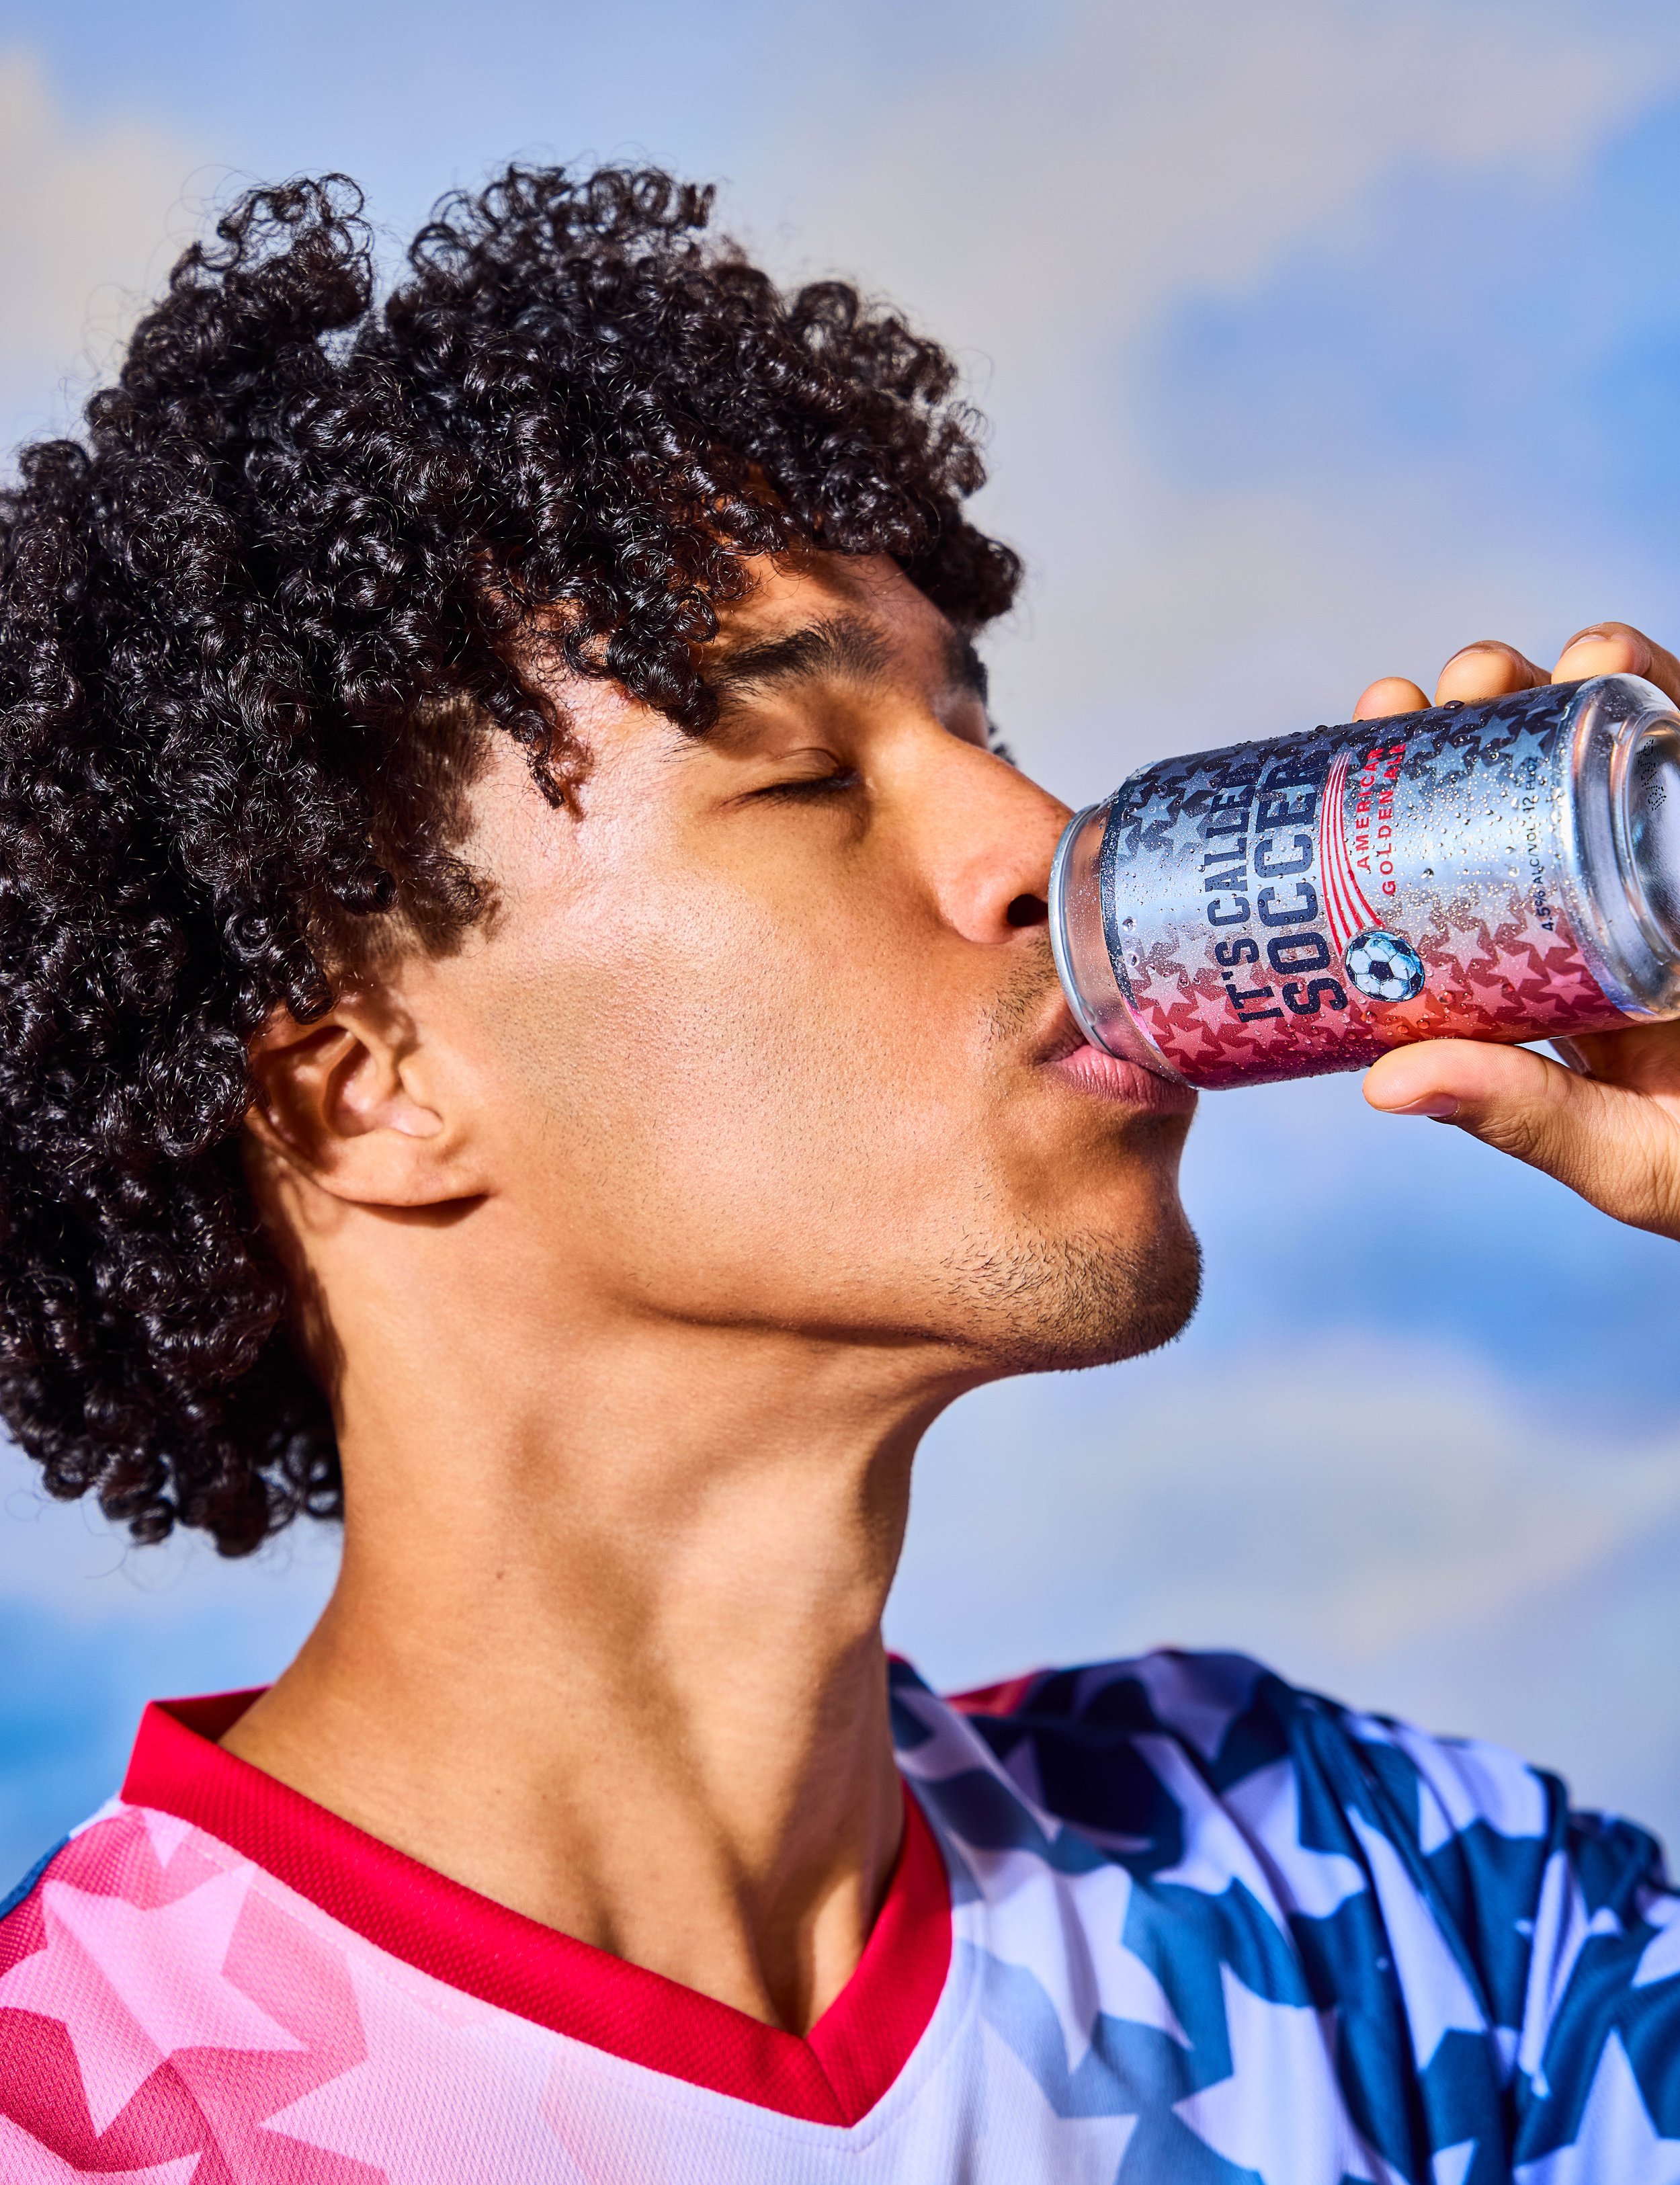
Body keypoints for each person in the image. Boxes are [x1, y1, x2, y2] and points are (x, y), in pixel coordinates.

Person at [0, 165, 1673, 2183]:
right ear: (360, 1090)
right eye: (805, 777)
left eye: (981, 726)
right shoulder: (75, 2120)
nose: (1042, 841)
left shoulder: (1375, 1904)